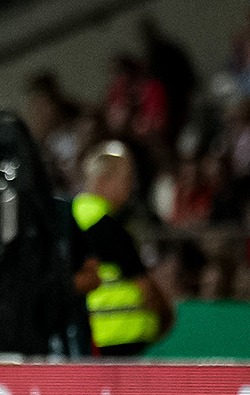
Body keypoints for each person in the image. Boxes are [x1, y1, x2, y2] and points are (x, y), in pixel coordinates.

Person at [74, 143, 175, 356]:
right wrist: (165, 316)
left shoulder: (72, 216)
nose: (130, 187)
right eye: (126, 179)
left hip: (89, 334)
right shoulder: (105, 225)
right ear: (103, 180)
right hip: (120, 335)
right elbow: (143, 285)